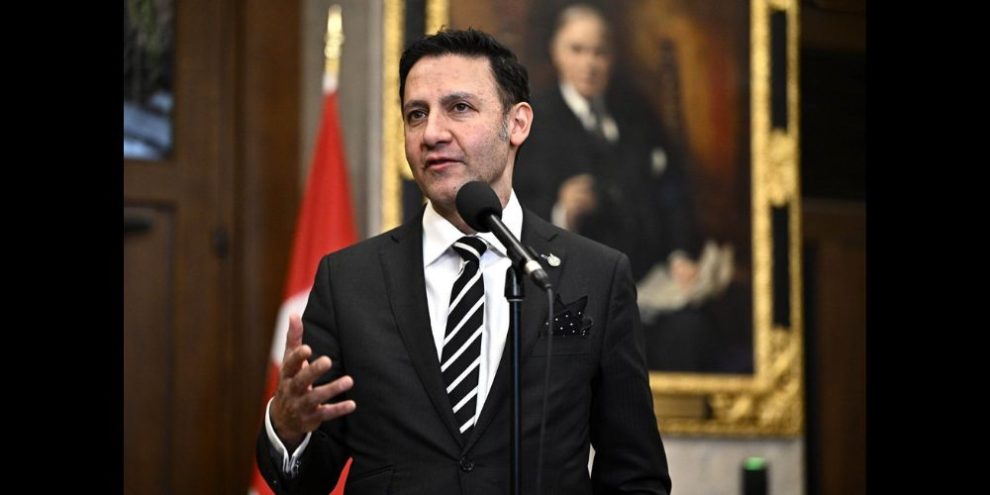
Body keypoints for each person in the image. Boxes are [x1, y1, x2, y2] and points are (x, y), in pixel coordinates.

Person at [256, 28, 671, 494]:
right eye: (416, 114)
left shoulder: (594, 275)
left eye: (459, 108)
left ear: (517, 124)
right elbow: (308, 480)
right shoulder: (348, 280)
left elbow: (635, 475)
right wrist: (287, 427)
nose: (432, 133)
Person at [514, 4, 723, 372]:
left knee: (690, 333)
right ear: (556, 52)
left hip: (647, 285)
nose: (590, 64)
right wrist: (560, 210)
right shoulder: (533, 122)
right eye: (577, 50)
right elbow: (514, 205)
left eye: (600, 52)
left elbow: (671, 192)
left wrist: (678, 254)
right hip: (573, 290)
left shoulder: (634, 114)